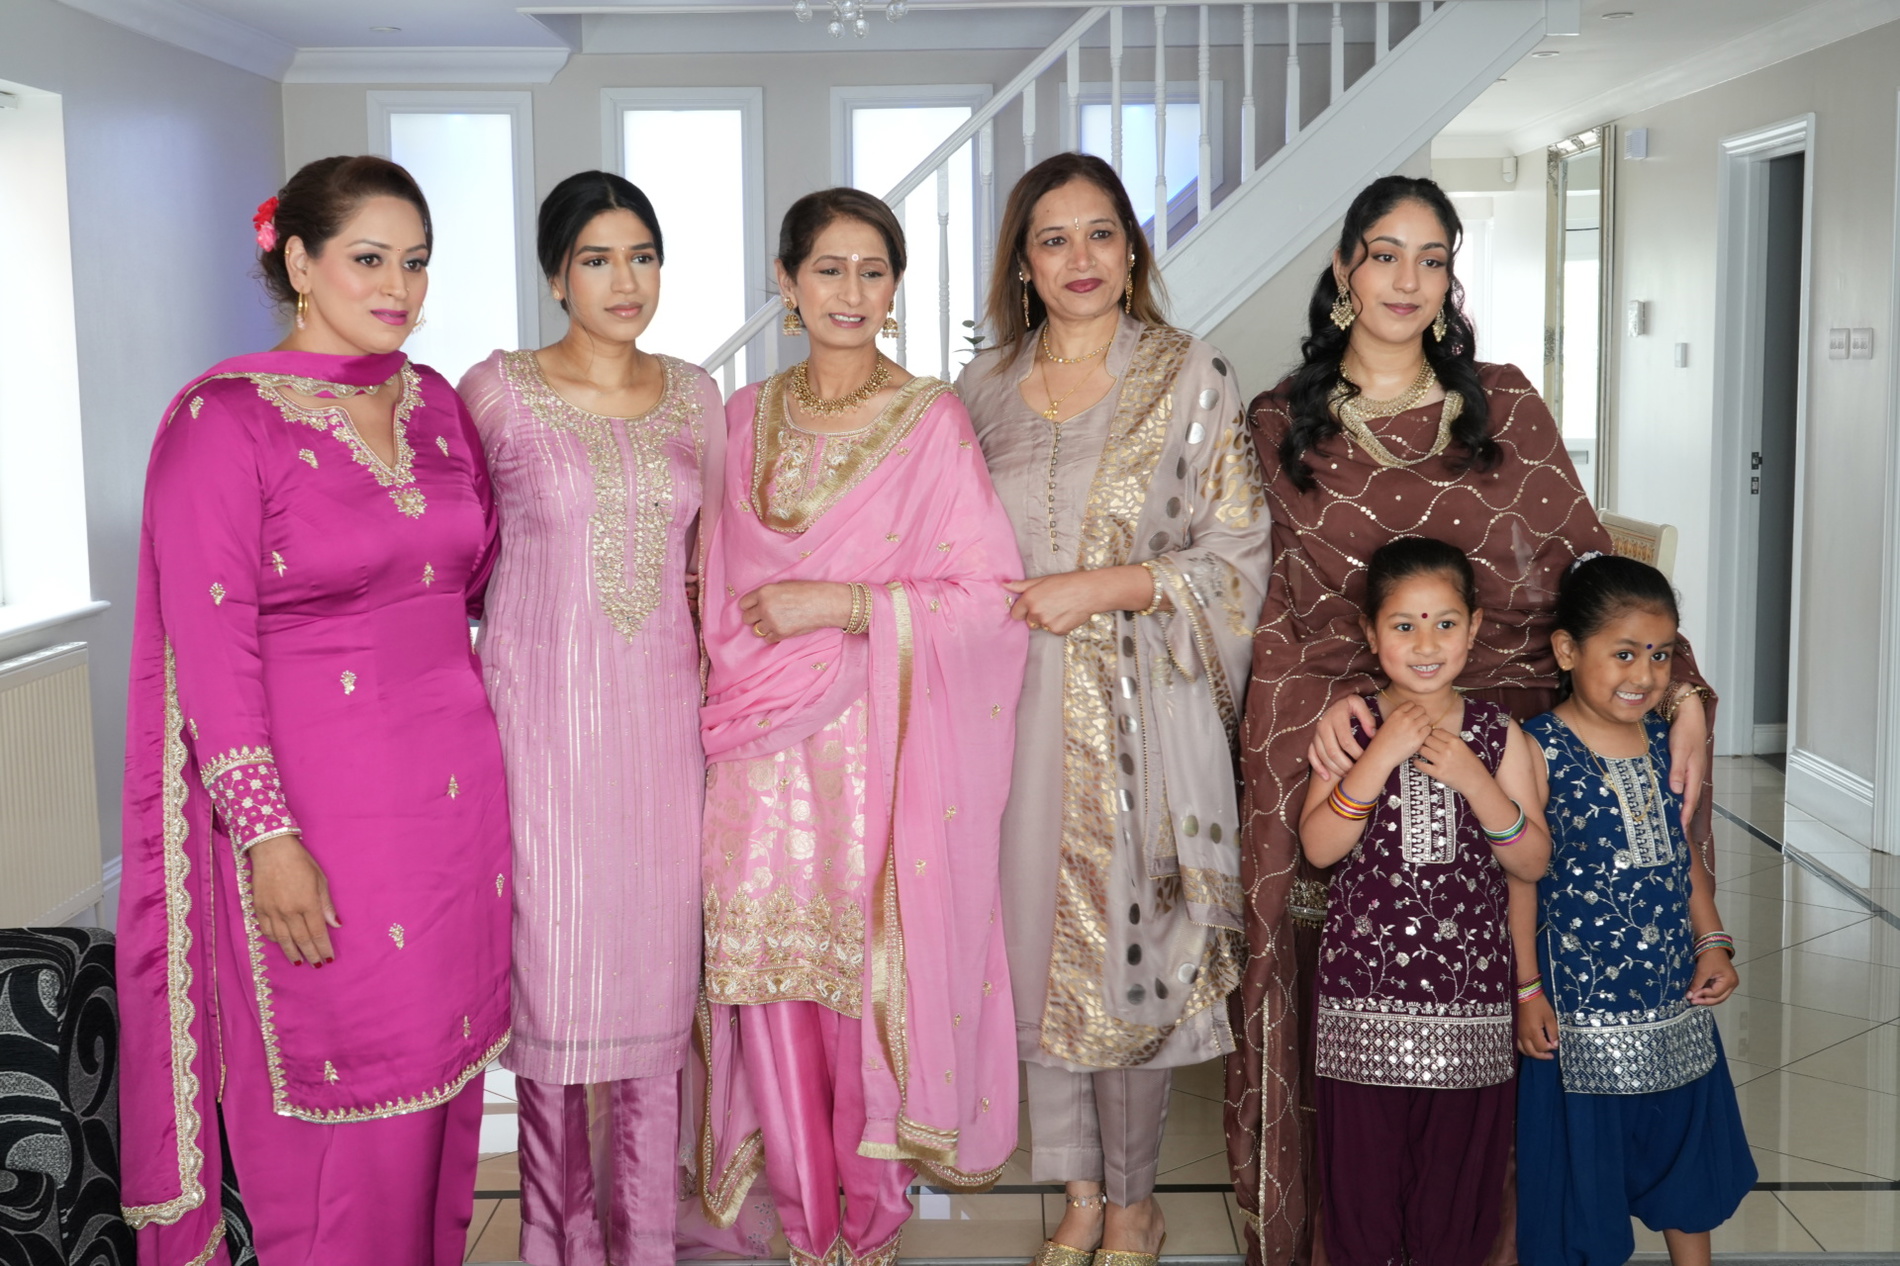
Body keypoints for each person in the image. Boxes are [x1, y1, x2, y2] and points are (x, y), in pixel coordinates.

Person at [1226, 175, 1716, 1265]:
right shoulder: (1280, 420)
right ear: (1345, 269)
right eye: (1385, 254)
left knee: (1523, 1004)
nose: (1408, 280)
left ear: (1451, 277)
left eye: (1433, 258)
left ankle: (1526, 1230)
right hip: (1353, 721)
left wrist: (1678, 685)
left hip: (1517, 717)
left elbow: (1587, 562)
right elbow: (1281, 608)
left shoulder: (1502, 402)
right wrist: (1334, 704)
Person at [117, 155, 509, 1265]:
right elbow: (210, 652)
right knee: (348, 1110)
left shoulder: (434, 402)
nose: (399, 287)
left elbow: (479, 579)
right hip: (321, 824)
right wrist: (267, 837)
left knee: (440, 1100)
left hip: (457, 814)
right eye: (369, 259)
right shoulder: (223, 420)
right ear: (298, 261)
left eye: (416, 262)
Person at [693, 188, 1029, 1266]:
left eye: (872, 271)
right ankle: (805, 1230)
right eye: (828, 269)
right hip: (753, 748)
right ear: (786, 283)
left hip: (879, 744)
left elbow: (985, 595)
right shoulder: (741, 416)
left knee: (861, 988)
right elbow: (705, 580)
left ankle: (871, 1231)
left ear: (895, 288)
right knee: (771, 985)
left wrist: (839, 605)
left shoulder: (931, 421)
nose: (851, 291)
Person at [957, 151, 1269, 1266]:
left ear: (1131, 250)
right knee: (1034, 954)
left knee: (1131, 962)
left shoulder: (1190, 375)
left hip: (1144, 714)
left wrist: (1113, 585)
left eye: (1100, 234)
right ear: (1023, 265)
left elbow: (1239, 554)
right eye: (1053, 239)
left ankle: (1136, 1203)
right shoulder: (980, 390)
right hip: (1008, 714)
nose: (1079, 258)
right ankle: (1080, 1192)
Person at [458, 171, 742, 1265]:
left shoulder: (697, 396)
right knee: (556, 983)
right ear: (554, 276)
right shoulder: (496, 392)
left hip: (663, 735)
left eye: (642, 256)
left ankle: (646, 1239)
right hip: (537, 736)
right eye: (596, 259)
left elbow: (716, 564)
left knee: (656, 991)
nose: (625, 281)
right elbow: (457, 555)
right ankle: (557, 1240)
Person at [1298, 537, 1551, 1266]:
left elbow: (1531, 861)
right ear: (1371, 633)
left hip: (1471, 1009)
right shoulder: (1351, 728)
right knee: (1361, 1193)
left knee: (1456, 1196)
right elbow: (1319, 847)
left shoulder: (1498, 735)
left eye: (1445, 623)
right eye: (1403, 625)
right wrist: (1379, 756)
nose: (1426, 643)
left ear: (1474, 629)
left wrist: (1475, 780)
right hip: (1362, 1011)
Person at [1513, 555, 1754, 1266]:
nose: (1644, 675)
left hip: (1672, 1000)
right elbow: (1518, 881)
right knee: (1580, 1189)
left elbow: (1681, 856)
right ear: (1567, 650)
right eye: (1624, 653)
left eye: (1660, 654)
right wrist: (1527, 990)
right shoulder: (1537, 747)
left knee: (1688, 1159)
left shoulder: (1664, 739)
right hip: (1578, 1014)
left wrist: (1713, 942)